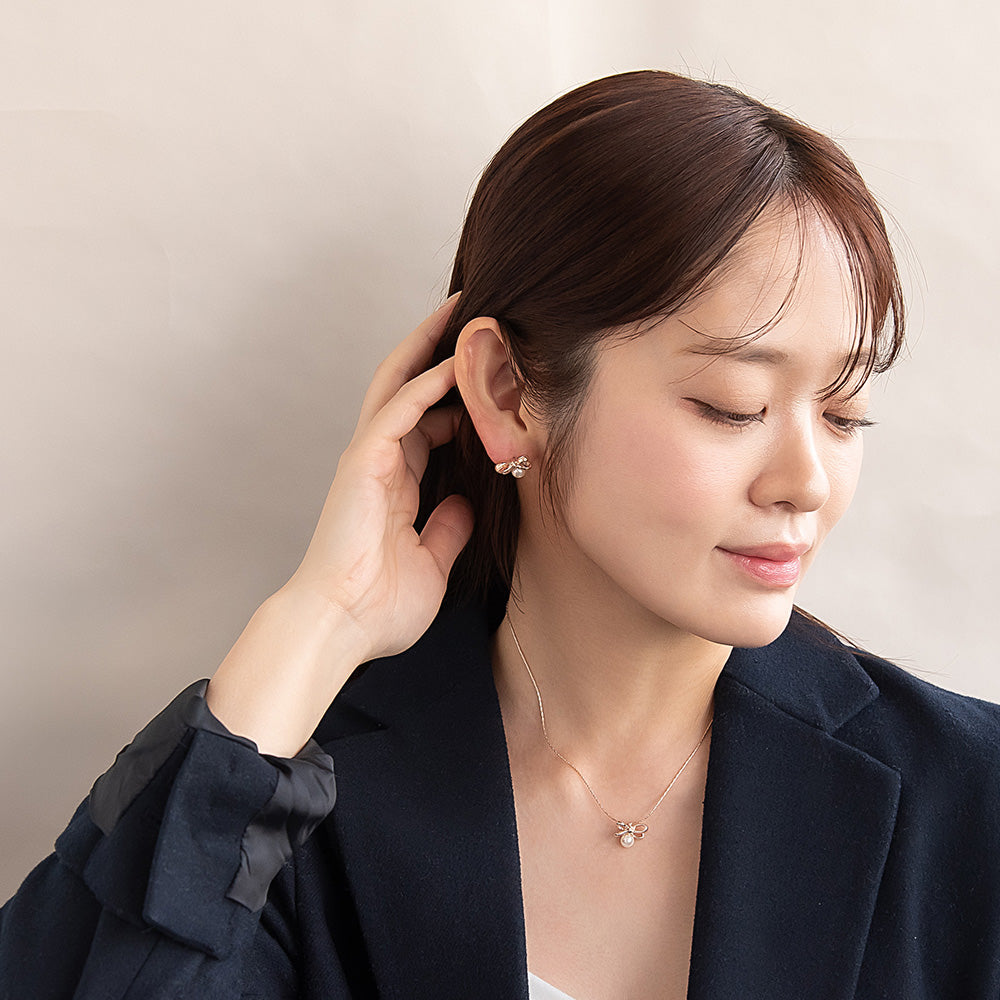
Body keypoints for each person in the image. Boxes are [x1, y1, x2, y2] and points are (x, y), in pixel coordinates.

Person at [1, 69, 999, 1000]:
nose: (807, 483)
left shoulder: (970, 799)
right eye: (732, 405)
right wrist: (318, 621)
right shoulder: (285, 802)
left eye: (844, 413)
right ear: (508, 390)